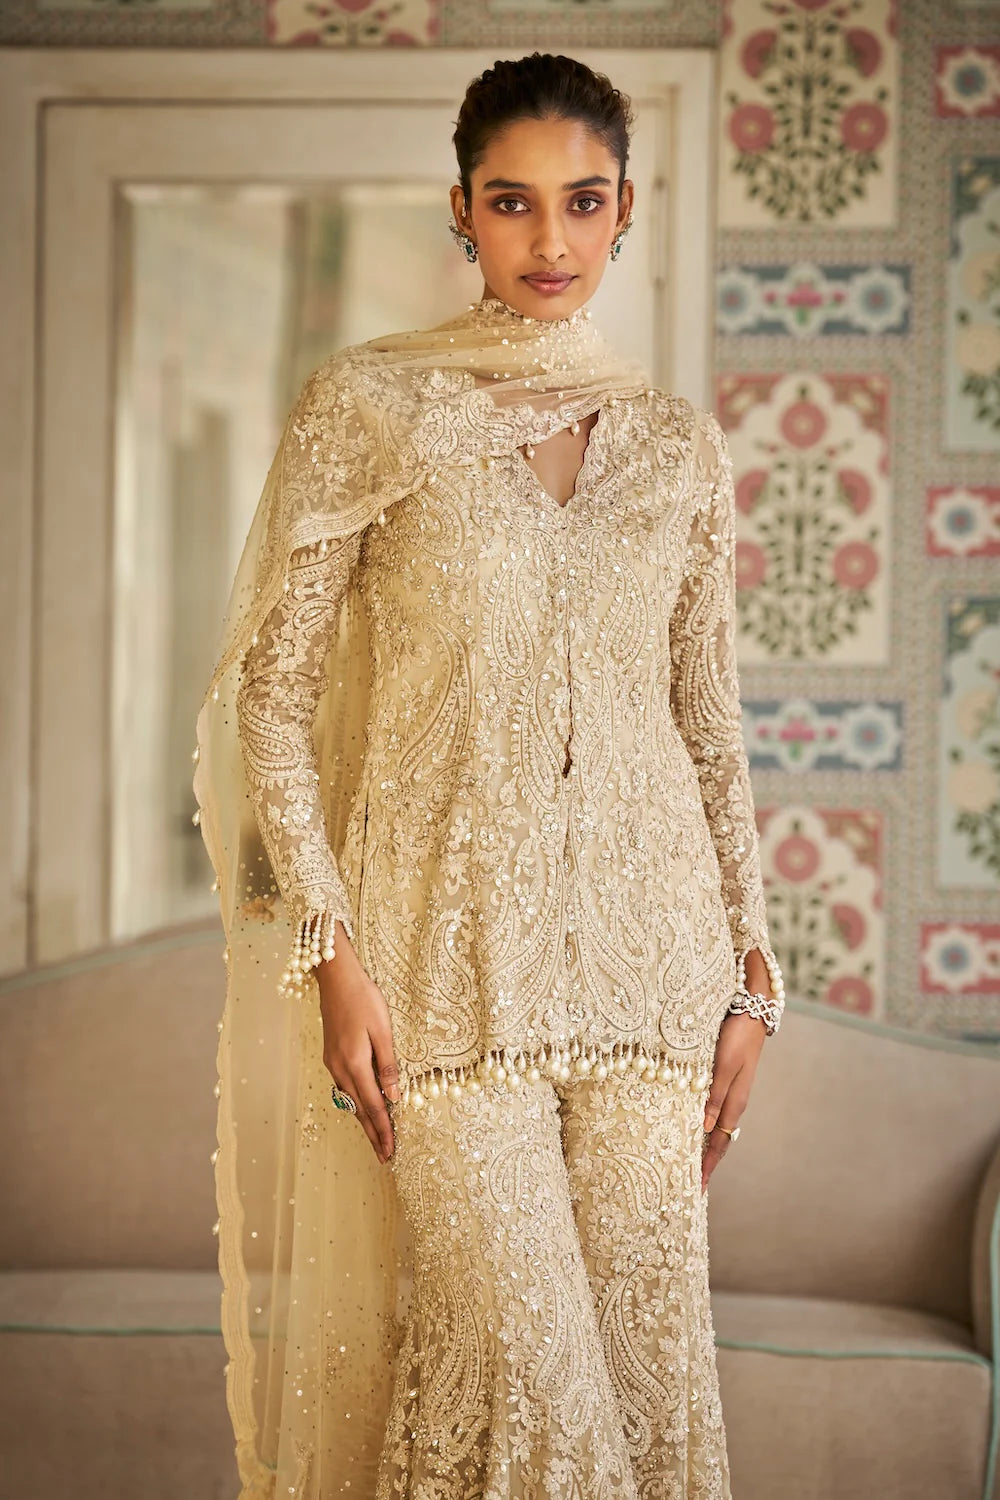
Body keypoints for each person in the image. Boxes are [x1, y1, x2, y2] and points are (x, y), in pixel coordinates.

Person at [194, 50, 784, 1500]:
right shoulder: (374, 410)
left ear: (627, 208)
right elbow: (274, 699)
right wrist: (332, 955)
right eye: (513, 202)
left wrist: (755, 974)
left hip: (657, 979)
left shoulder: (676, 449)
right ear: (461, 209)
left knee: (643, 1406)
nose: (550, 239)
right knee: (529, 1400)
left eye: (583, 202)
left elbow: (707, 721)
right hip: (446, 979)